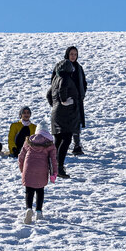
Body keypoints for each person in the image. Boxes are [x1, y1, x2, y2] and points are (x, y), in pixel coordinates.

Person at [48, 47, 85, 177]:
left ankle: (53, 167)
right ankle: (59, 167)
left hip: (56, 113)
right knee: (66, 138)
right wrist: (64, 101)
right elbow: (63, 90)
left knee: (58, 140)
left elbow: (48, 94)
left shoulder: (55, 79)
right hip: (65, 114)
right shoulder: (65, 78)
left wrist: (55, 105)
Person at [17, 133, 58, 223]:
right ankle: (39, 212)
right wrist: (54, 173)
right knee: (40, 190)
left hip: (28, 168)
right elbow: (53, 160)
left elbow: (21, 157)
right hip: (42, 170)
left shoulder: (28, 141)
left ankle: (28, 209)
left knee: (29, 190)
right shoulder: (49, 144)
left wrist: (22, 169)